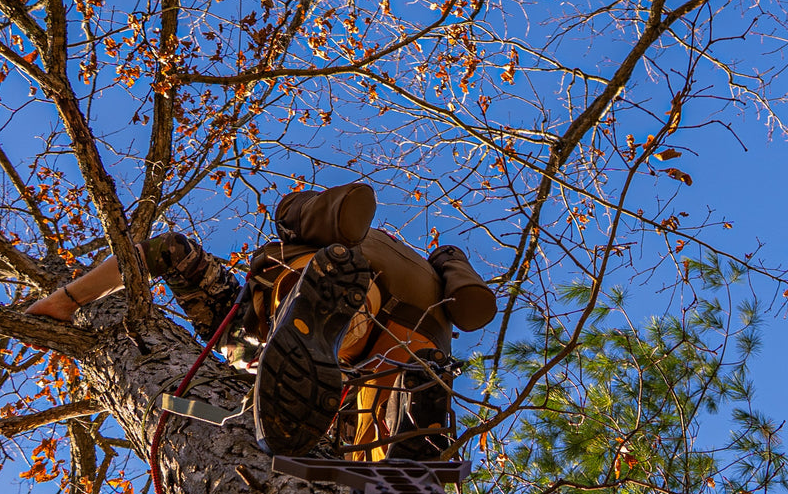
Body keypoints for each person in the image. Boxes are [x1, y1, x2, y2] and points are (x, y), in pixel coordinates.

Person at [25, 183, 496, 461]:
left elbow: (163, 250)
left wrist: (69, 296)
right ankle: (416, 413)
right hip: (418, 320)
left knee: (271, 326)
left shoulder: (233, 324)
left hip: (341, 277)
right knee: (373, 428)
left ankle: (317, 307)